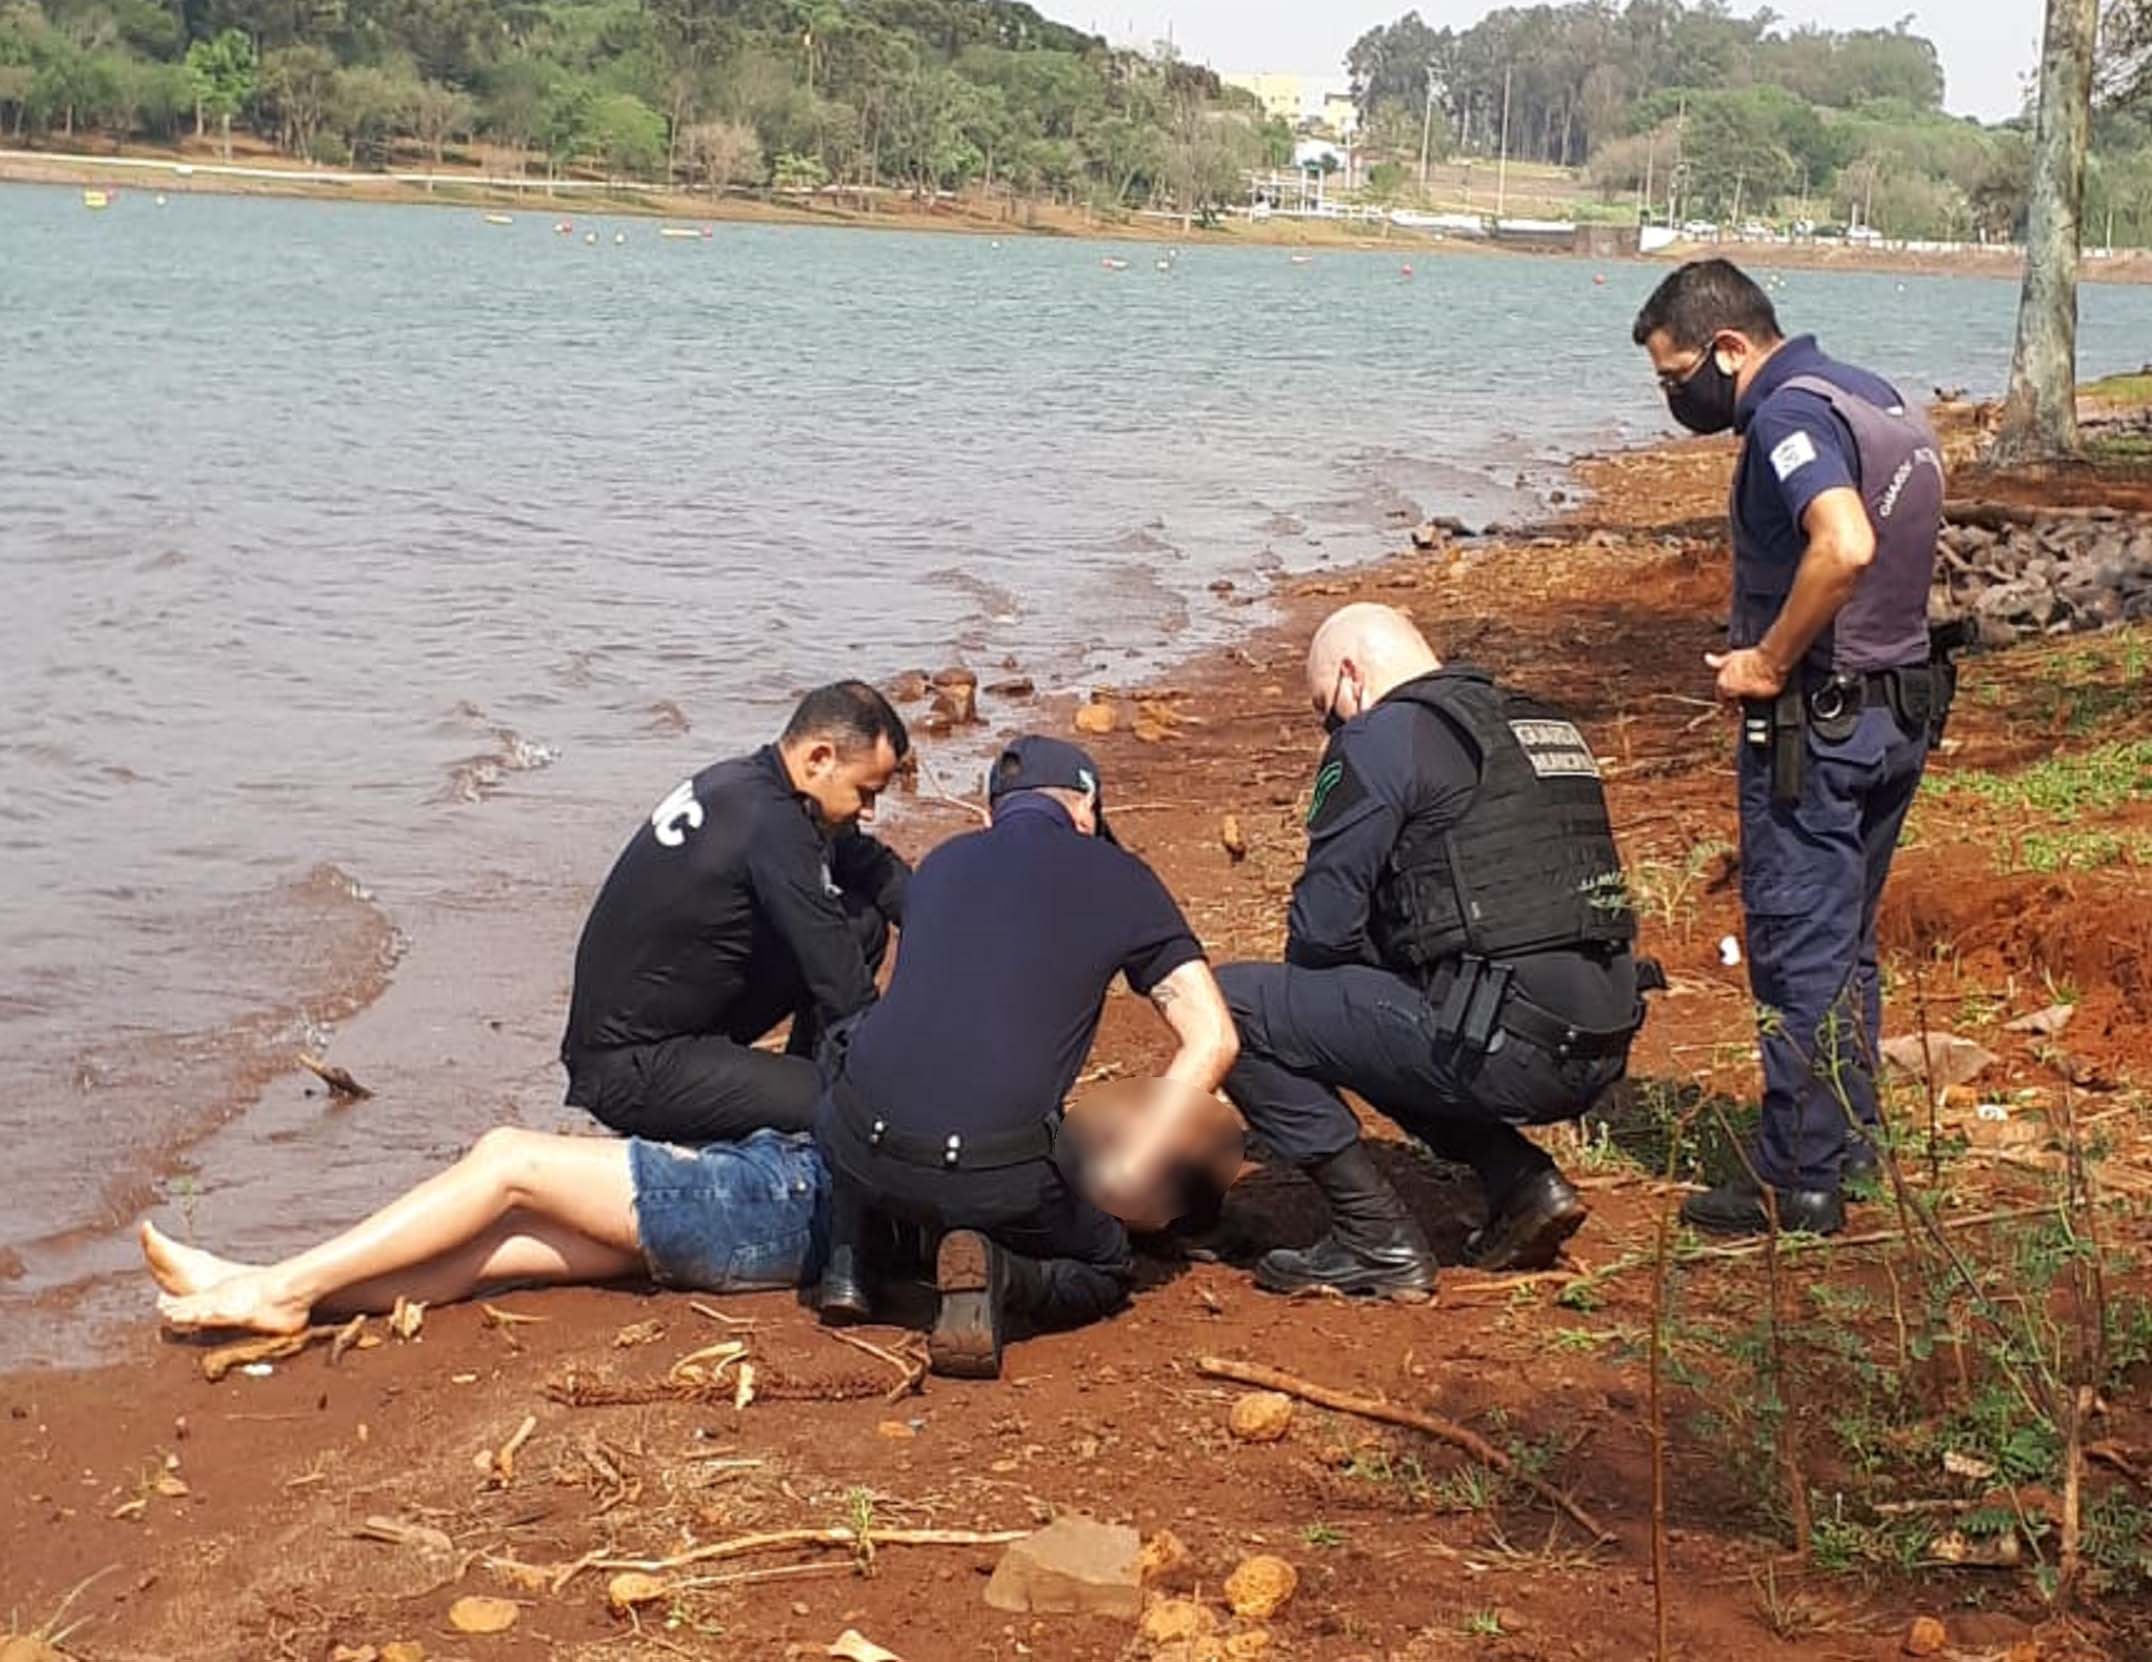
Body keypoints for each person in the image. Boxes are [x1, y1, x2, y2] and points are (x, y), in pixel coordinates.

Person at [1632, 259, 1946, 1239]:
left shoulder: (1783, 417)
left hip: (1821, 725)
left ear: (1727, 348)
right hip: (1898, 708)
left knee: (1796, 940)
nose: (1672, 396)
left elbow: (1845, 541)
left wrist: (1767, 661)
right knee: (1844, 937)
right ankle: (1847, 1145)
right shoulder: (1868, 391)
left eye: (1673, 374)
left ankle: (1795, 1184)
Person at [1216, 604, 1645, 1299]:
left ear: (1351, 679)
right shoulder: (1538, 722)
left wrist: (1322, 1027)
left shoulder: (1382, 737)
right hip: (1603, 1036)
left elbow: (1320, 933)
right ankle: (1521, 1184)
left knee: (1230, 1004)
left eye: (1328, 711)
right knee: (1408, 995)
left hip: (1514, 1045)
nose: (1333, 729)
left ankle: (1373, 1240)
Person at [814, 736, 1241, 1379]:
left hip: (857, 1146)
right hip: (994, 1176)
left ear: (989, 817)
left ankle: (849, 1260)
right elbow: (1213, 1037)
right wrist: (1133, 1166)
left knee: (855, 1047)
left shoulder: (941, 861)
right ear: (1086, 810)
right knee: (1105, 1266)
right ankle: (1003, 1275)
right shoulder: (1123, 878)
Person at [139, 1093, 1232, 1339]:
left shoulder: (1074, 1222)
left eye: (1154, 1143)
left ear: (1150, 1207)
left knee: (508, 1159)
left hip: (764, 1208)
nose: (1134, 1121)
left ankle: (277, 1287)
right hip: (771, 1206)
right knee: (501, 1252)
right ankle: (271, 1287)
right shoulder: (1062, 1180)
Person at [560, 682, 912, 1144]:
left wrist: (959, 930)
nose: (868, 811)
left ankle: (802, 1077)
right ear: (819, 758)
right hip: (631, 1068)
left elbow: (868, 863)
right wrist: (905, 1083)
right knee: (851, 1104)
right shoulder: (771, 825)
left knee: (861, 923)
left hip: (675, 1016)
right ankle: (807, 1109)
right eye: (865, 792)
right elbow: (843, 987)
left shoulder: (745, 785)